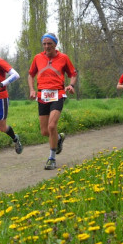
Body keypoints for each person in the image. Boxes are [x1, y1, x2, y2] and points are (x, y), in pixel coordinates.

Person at [27, 32, 77, 170]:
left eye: (49, 44)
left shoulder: (63, 58)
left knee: (52, 126)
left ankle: (52, 158)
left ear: (55, 44)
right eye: (44, 44)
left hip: (58, 94)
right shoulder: (38, 58)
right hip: (42, 95)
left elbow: (73, 73)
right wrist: (32, 90)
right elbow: (30, 75)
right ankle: (58, 138)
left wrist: (71, 85)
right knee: (44, 132)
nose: (47, 46)